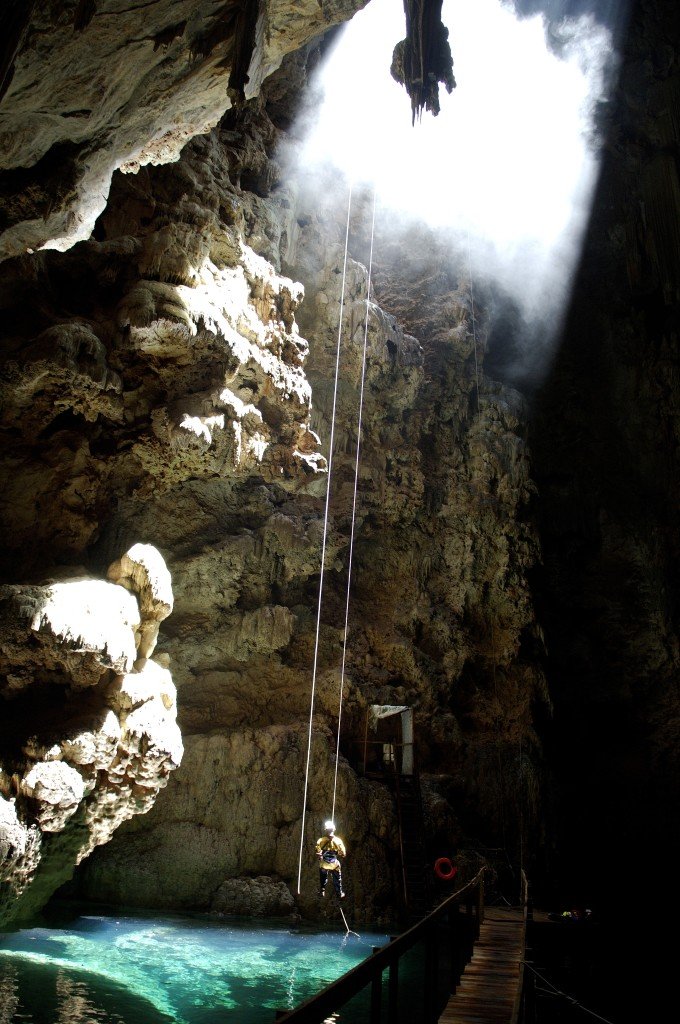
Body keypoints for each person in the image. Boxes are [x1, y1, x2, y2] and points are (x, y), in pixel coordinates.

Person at [315, 820, 346, 899]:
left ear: (325, 830)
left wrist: (321, 855)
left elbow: (318, 853)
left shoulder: (320, 841)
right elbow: (343, 854)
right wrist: (337, 852)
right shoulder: (338, 841)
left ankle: (322, 890)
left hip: (324, 864)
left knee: (322, 873)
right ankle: (339, 893)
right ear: (334, 829)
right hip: (334, 864)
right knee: (337, 876)